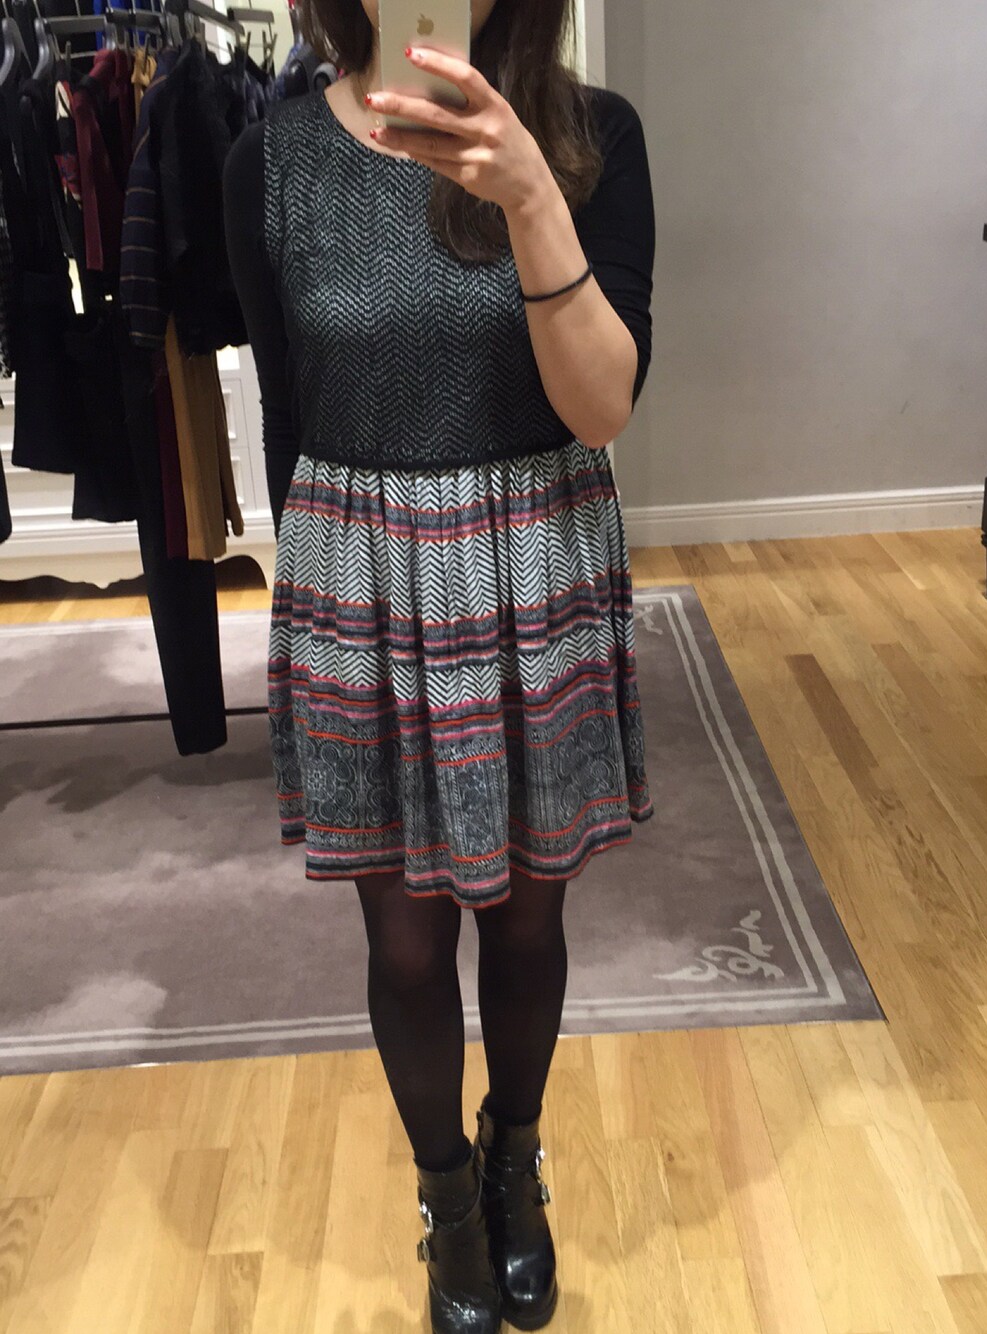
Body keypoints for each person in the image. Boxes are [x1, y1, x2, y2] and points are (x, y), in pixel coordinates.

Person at [223, 1, 655, 1328]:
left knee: (525, 914)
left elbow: (602, 405)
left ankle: (516, 1160)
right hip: (362, 580)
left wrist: (530, 197)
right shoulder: (269, 161)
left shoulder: (591, 137)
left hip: (534, 567)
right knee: (405, 941)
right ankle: (448, 1199)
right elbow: (291, 417)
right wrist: (312, 609)